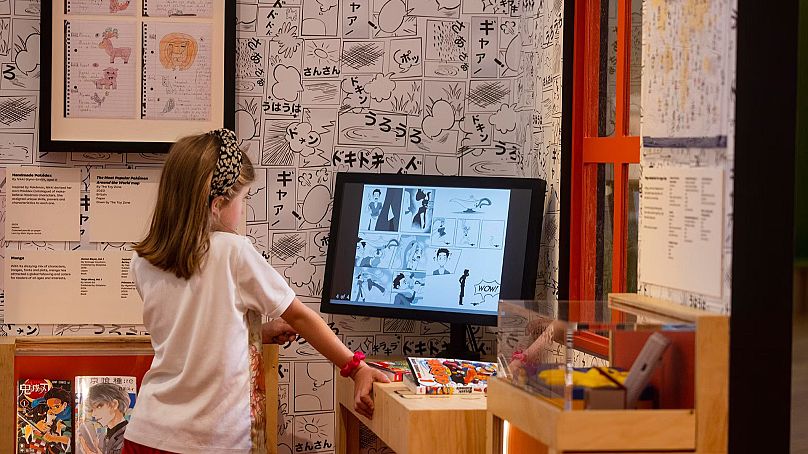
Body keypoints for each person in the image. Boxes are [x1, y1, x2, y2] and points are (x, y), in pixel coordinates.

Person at [122, 130, 388, 454]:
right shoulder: (233, 252)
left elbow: (192, 335)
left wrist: (257, 332)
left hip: (147, 433)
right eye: (243, 199)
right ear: (218, 205)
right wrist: (356, 367)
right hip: (211, 441)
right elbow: (300, 316)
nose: (244, 209)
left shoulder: (143, 259)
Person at [81, 383, 131, 454]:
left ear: (114, 404)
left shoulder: (128, 436)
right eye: (92, 409)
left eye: (99, 406)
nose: (93, 414)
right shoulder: (105, 435)